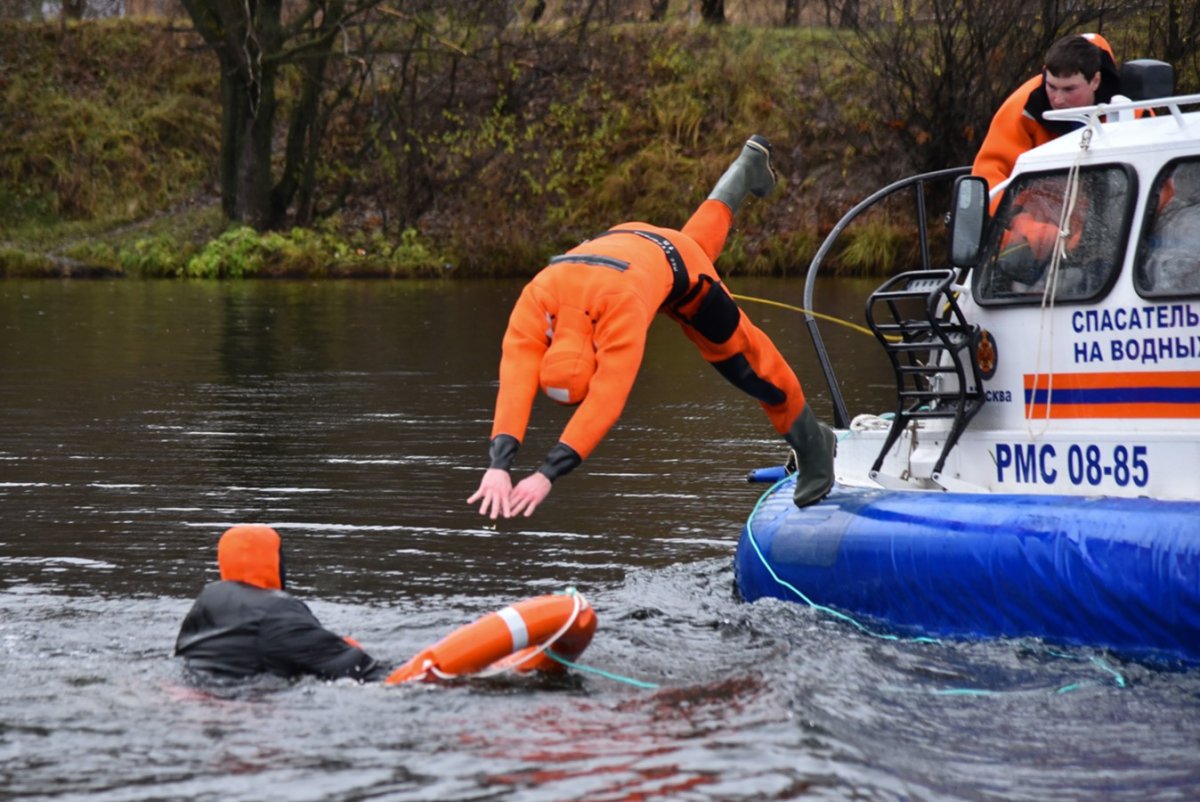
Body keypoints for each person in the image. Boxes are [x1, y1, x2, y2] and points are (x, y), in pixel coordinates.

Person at [467, 135, 836, 520]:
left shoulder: (618, 313)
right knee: (693, 240)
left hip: (679, 274)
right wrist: (498, 464)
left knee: (752, 368)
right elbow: (515, 380)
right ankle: (745, 169)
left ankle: (813, 445)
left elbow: (606, 399)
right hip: (629, 239)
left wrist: (547, 474)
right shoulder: (537, 295)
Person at [175, 524, 388, 682]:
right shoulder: (277, 610)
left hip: (195, 692)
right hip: (248, 707)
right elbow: (357, 670)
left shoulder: (207, 600)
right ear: (275, 562)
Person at [973, 33, 1122, 195]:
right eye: (1051, 86)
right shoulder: (1023, 107)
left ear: (1095, 81)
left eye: (1069, 89)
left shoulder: (1130, 109)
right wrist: (1019, 219)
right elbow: (989, 176)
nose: (1057, 100)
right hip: (1039, 211)